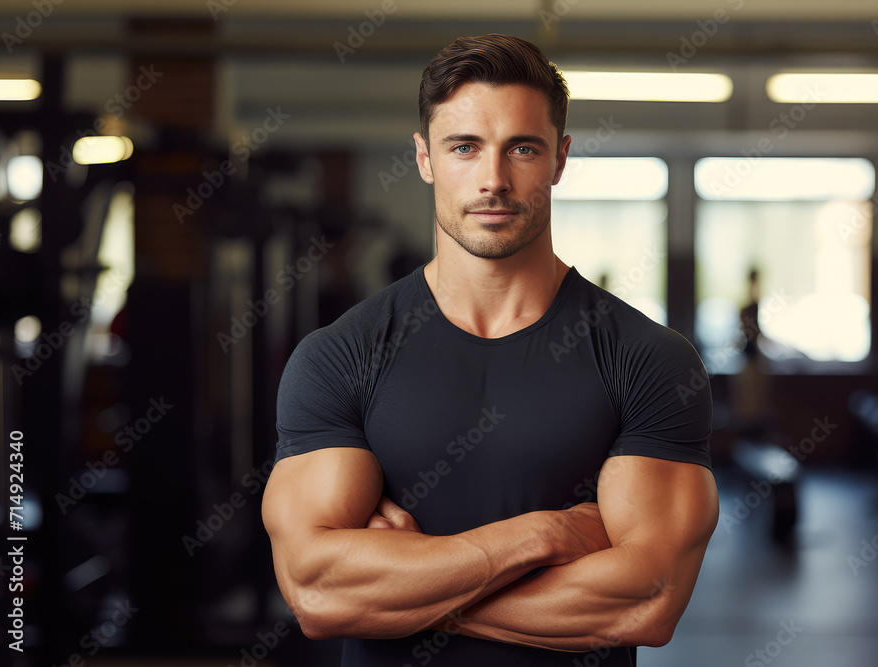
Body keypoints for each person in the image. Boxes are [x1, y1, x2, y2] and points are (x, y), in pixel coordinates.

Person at [262, 34, 718, 666]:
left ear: (559, 158)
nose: (493, 180)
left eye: (522, 149)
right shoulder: (340, 356)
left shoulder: (648, 360)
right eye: (464, 147)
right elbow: (318, 591)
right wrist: (541, 535)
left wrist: (402, 593)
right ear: (424, 158)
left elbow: (645, 601)